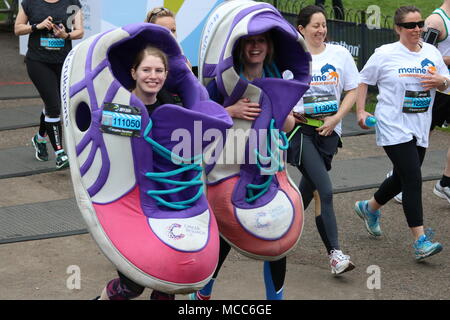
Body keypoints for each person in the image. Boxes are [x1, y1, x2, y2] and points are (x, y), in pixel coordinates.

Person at [190, 31, 295, 300]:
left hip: (266, 168)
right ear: (240, 47)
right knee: (225, 233)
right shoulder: (222, 82)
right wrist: (230, 111)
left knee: (276, 233)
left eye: (260, 41)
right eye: (249, 41)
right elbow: (198, 119)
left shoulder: (276, 79)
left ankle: (275, 300)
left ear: (268, 46)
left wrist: (280, 110)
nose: (255, 46)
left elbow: (288, 125)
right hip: (227, 168)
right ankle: (202, 294)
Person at [355, 6, 448, 261]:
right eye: (410, 25)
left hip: (419, 126)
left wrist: (441, 81)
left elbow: (446, 80)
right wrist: (361, 111)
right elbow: (362, 80)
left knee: (401, 176)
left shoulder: (431, 52)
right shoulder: (384, 54)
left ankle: (370, 207)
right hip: (392, 124)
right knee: (413, 178)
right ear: (398, 29)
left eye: (419, 24)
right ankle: (420, 240)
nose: (416, 29)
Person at [97, 46, 180, 300]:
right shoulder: (117, 109)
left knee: (167, 283)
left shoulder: (173, 107)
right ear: (134, 72)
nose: (152, 76)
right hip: (129, 204)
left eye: (159, 70)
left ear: (166, 74)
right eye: (146, 69)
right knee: (131, 287)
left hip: (166, 201)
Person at [289, 5, 358, 275]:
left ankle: (276, 229)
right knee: (325, 190)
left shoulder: (339, 54)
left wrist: (336, 119)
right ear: (301, 29)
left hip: (329, 132)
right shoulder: (291, 58)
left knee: (308, 189)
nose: (321, 30)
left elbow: (352, 89)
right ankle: (335, 255)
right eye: (315, 25)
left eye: (324, 25)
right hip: (301, 131)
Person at [14, 0, 84, 169]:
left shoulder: (72, 3)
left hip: (63, 62)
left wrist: (65, 35)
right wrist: (36, 26)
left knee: (52, 103)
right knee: (54, 106)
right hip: (38, 62)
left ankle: (39, 139)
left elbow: (79, 32)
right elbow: (17, 29)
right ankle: (60, 153)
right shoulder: (30, 3)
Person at [424, 1, 450, 204]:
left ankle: (446, 182)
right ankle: (399, 179)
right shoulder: (436, 20)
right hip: (440, 90)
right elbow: (423, 55)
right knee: (423, 136)